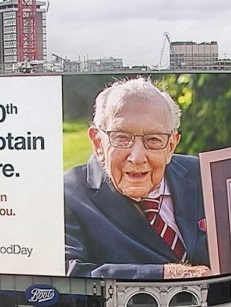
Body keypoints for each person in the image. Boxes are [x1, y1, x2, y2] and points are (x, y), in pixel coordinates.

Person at [64, 77, 212, 280]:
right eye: (122, 137)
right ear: (98, 143)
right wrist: (165, 274)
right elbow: (68, 274)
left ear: (171, 146)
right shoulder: (67, 195)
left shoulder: (203, 174)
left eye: (153, 139)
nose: (137, 157)